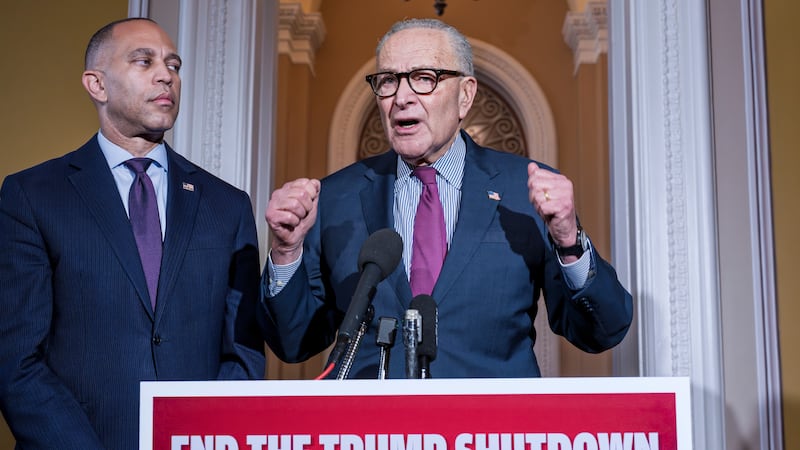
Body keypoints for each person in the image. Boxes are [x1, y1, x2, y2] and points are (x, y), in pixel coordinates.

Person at [261, 18, 632, 379]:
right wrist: (286, 251)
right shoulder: (335, 198)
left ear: (465, 95)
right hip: (371, 417)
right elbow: (294, 342)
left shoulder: (523, 190)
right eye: (388, 81)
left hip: (491, 418)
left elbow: (601, 330)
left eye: (424, 78)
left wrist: (569, 240)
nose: (401, 98)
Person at [0, 18, 265, 449]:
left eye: (173, 65)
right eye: (144, 61)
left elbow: (243, 353)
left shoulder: (227, 205)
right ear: (97, 84)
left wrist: (205, 438)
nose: (166, 76)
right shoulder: (32, 195)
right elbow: (17, 359)